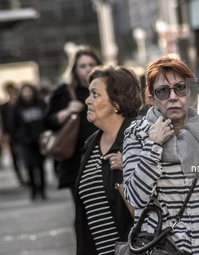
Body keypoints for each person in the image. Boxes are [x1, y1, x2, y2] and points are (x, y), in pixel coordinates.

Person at [123, 56, 199, 254]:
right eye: (162, 91)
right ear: (151, 99)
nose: (172, 97)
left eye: (180, 88)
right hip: (166, 249)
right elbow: (136, 198)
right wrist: (153, 146)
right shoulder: (138, 135)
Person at [74, 65, 141, 254]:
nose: (87, 101)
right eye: (89, 94)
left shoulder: (139, 137)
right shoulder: (91, 144)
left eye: (95, 95)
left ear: (117, 103)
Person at [43, 45, 101, 195]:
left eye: (91, 64)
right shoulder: (64, 91)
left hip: (103, 157)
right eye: (82, 66)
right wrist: (67, 111)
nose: (88, 69)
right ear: (74, 69)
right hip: (76, 161)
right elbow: (47, 122)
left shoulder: (108, 88)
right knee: (83, 212)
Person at [12, 84, 47, 200]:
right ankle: (33, 191)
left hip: (39, 140)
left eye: (29, 91)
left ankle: (42, 190)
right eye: (25, 91)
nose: (27, 94)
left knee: (41, 166)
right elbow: (13, 126)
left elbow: (47, 120)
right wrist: (15, 142)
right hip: (26, 141)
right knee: (30, 166)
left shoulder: (40, 104)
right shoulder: (17, 107)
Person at [0, 82, 25, 185]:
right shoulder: (4, 106)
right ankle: (19, 177)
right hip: (11, 134)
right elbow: (3, 121)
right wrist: (5, 134)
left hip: (21, 134)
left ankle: (26, 175)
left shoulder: (19, 104)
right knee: (15, 157)